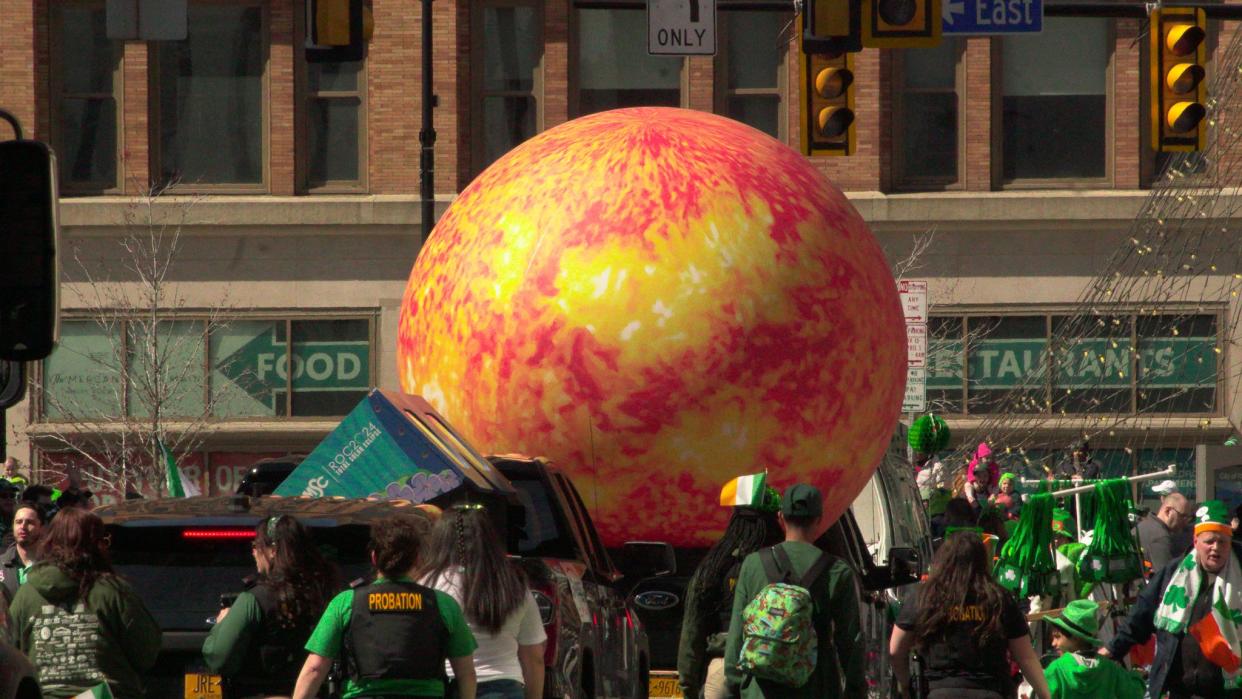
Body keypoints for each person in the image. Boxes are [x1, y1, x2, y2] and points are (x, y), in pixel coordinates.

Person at [292, 511, 478, 699]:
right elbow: (466, 673)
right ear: (417, 559)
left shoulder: (346, 602)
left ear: (373, 557)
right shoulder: (443, 604)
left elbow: (315, 668)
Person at [723, 484, 864, 699]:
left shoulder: (753, 564)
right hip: (817, 688)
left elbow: (736, 636)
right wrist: (855, 691)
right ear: (819, 519)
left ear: (780, 517)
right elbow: (850, 642)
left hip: (759, 690)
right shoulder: (837, 571)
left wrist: (735, 686)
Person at [8, 507, 161, 698]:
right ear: (93, 545)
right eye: (102, 540)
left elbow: (8, 654)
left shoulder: (26, 594)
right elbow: (146, 653)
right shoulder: (112, 591)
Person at [1104, 500, 1242, 699]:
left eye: (1222, 542)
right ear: (1196, 542)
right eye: (1209, 541)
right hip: (1180, 690)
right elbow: (1141, 614)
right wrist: (1111, 649)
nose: (1215, 548)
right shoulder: (1174, 573)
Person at [890, 530, 1050, 699]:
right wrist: (1045, 695)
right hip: (990, 692)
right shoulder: (999, 599)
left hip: (939, 692)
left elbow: (896, 650)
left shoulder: (924, 598)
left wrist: (905, 685)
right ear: (982, 561)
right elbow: (1025, 657)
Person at [202, 514, 340, 699]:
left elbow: (218, 657)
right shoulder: (329, 595)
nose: (253, 551)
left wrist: (221, 624)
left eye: (256, 545)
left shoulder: (255, 600)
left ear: (273, 550)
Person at [418, 506, 546, 699]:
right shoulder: (514, 586)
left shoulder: (429, 584)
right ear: (490, 541)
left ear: (440, 540)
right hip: (506, 687)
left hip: (449, 685)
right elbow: (534, 658)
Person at [677, 489, 783, 699]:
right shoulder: (783, 567)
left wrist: (688, 685)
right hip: (773, 676)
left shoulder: (715, 565)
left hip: (722, 671)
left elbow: (692, 632)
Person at [1042, 599, 1143, 699]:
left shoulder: (1056, 670)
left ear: (1076, 637)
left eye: (1057, 637)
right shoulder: (1110, 669)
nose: (1053, 643)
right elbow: (1134, 694)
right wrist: (1137, 675)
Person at [1137, 491, 1192, 575]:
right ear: (1168, 511)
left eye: (1188, 517)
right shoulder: (1160, 537)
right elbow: (1166, 577)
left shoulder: (1143, 525)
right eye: (1182, 516)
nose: (1186, 522)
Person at [1, 503, 44, 603]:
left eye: (30, 522)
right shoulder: (1, 564)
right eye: (18, 522)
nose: (23, 526)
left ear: (41, 527)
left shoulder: (52, 563)